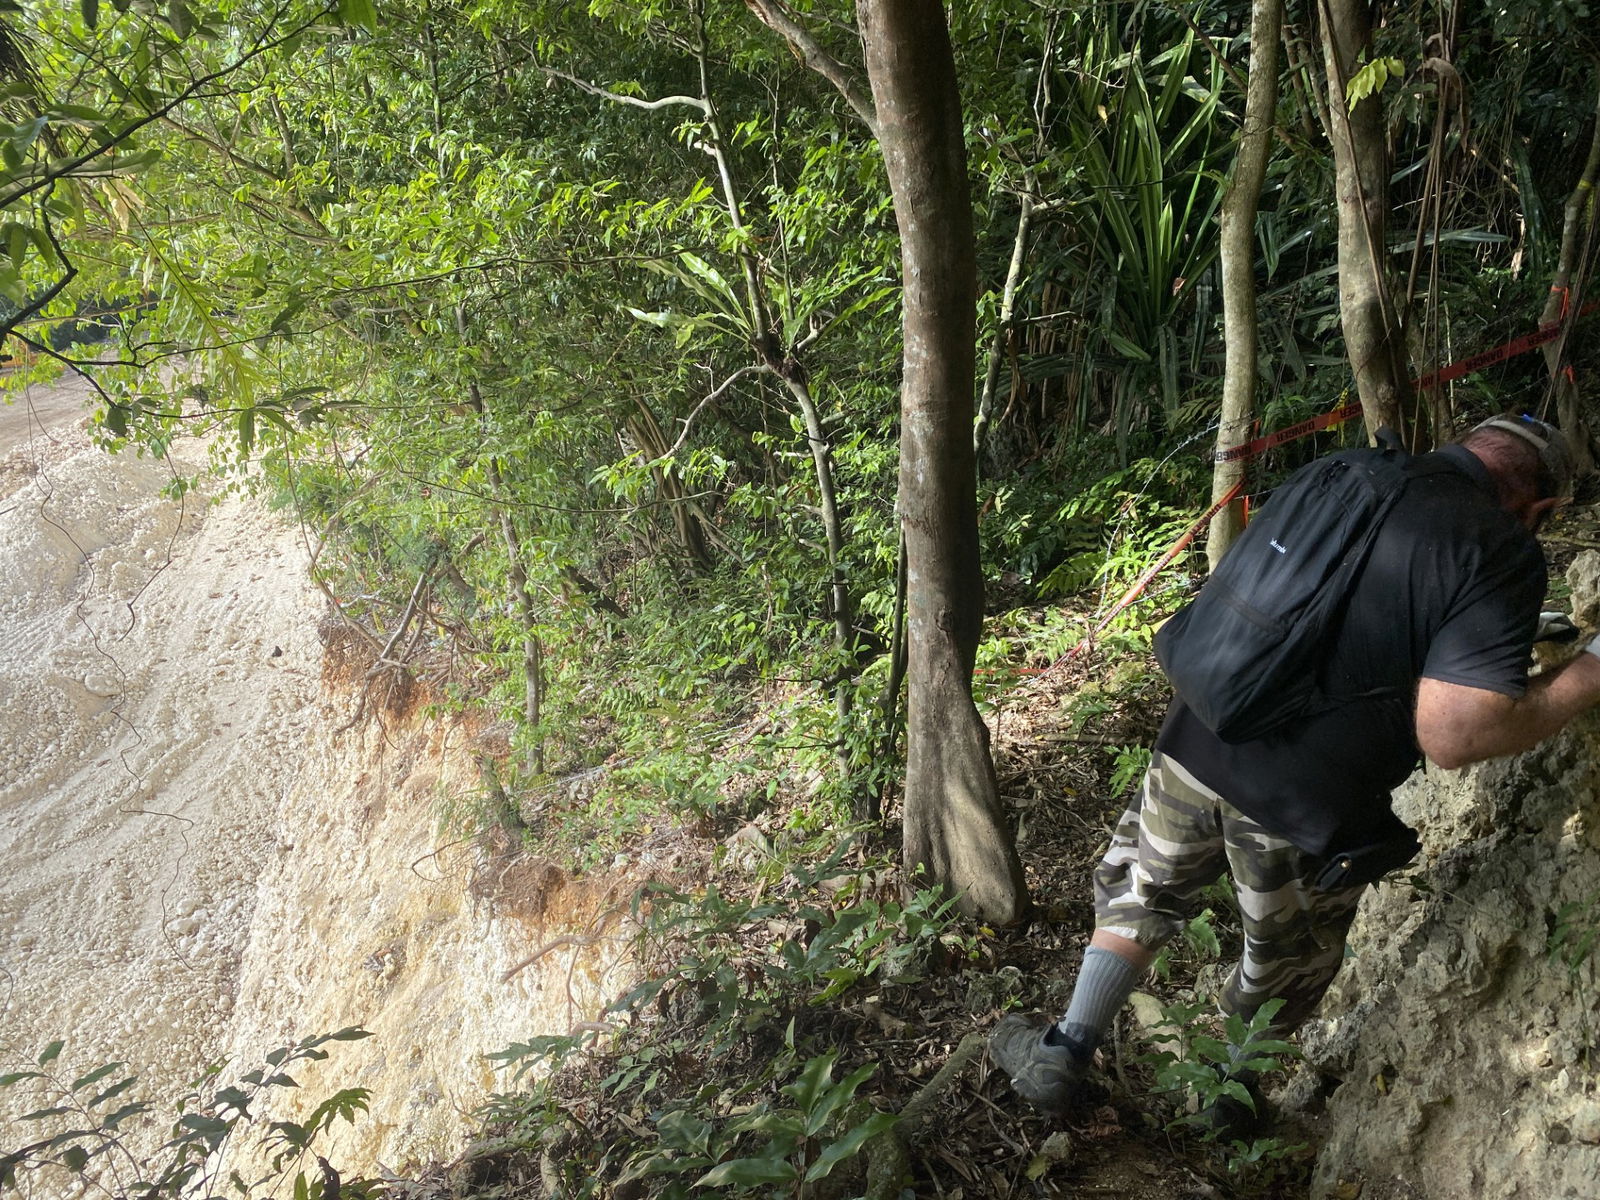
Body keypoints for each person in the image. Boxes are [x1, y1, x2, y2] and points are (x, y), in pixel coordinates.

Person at [990, 413, 1600, 1129]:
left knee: (1139, 892)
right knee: (1285, 959)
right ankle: (1227, 1101)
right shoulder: (1494, 547)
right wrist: (1586, 675)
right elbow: (1455, 734)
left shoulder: (1339, 471)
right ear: (1542, 510)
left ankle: (1065, 1047)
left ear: (1462, 444)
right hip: (1308, 799)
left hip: (1204, 730)